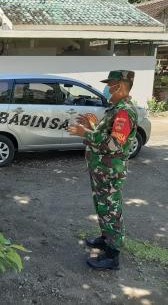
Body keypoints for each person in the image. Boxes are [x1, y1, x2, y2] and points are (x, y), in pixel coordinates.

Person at [68, 70, 138, 270]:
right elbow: (106, 134)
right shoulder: (116, 109)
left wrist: (86, 133)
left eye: (111, 85)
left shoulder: (124, 112)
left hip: (110, 171)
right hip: (101, 169)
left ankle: (112, 255)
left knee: (111, 210)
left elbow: (115, 144)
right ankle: (106, 238)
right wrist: (91, 126)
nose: (107, 89)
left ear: (122, 87)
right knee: (102, 207)